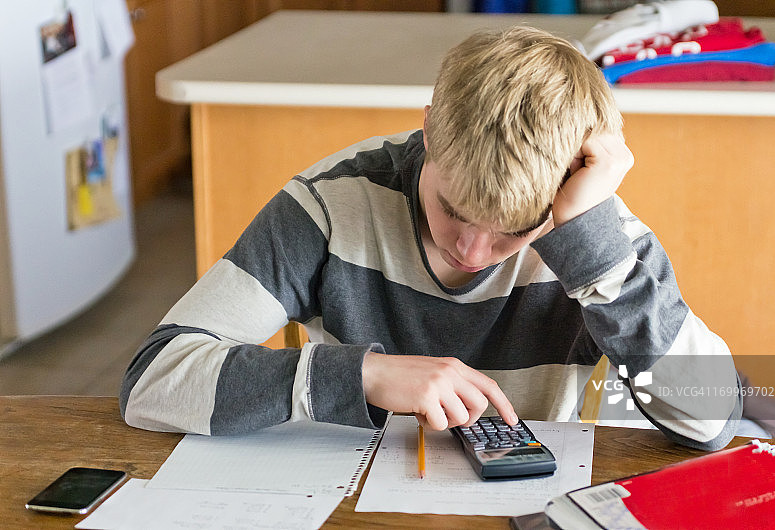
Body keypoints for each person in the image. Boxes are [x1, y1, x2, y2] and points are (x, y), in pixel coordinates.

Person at [120, 26, 741, 450]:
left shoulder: (592, 234)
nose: (472, 254)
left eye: (512, 234)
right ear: (428, 131)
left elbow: (713, 419)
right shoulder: (330, 205)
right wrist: (362, 377)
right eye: (452, 211)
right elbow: (153, 381)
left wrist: (595, 254)